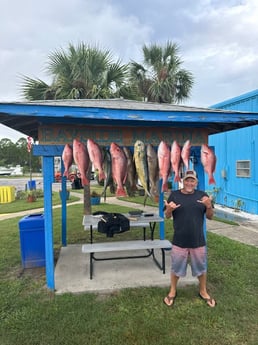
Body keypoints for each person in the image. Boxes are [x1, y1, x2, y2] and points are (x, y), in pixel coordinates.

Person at [163, 170, 216, 308]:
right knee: (176, 267)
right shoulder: (174, 195)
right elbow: (167, 216)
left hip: (198, 240)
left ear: (196, 183)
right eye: (187, 180)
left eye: (192, 180)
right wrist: (169, 209)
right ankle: (173, 290)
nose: (189, 183)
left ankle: (203, 291)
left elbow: (210, 216)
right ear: (183, 181)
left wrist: (208, 206)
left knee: (201, 267)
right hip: (179, 240)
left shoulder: (202, 196)